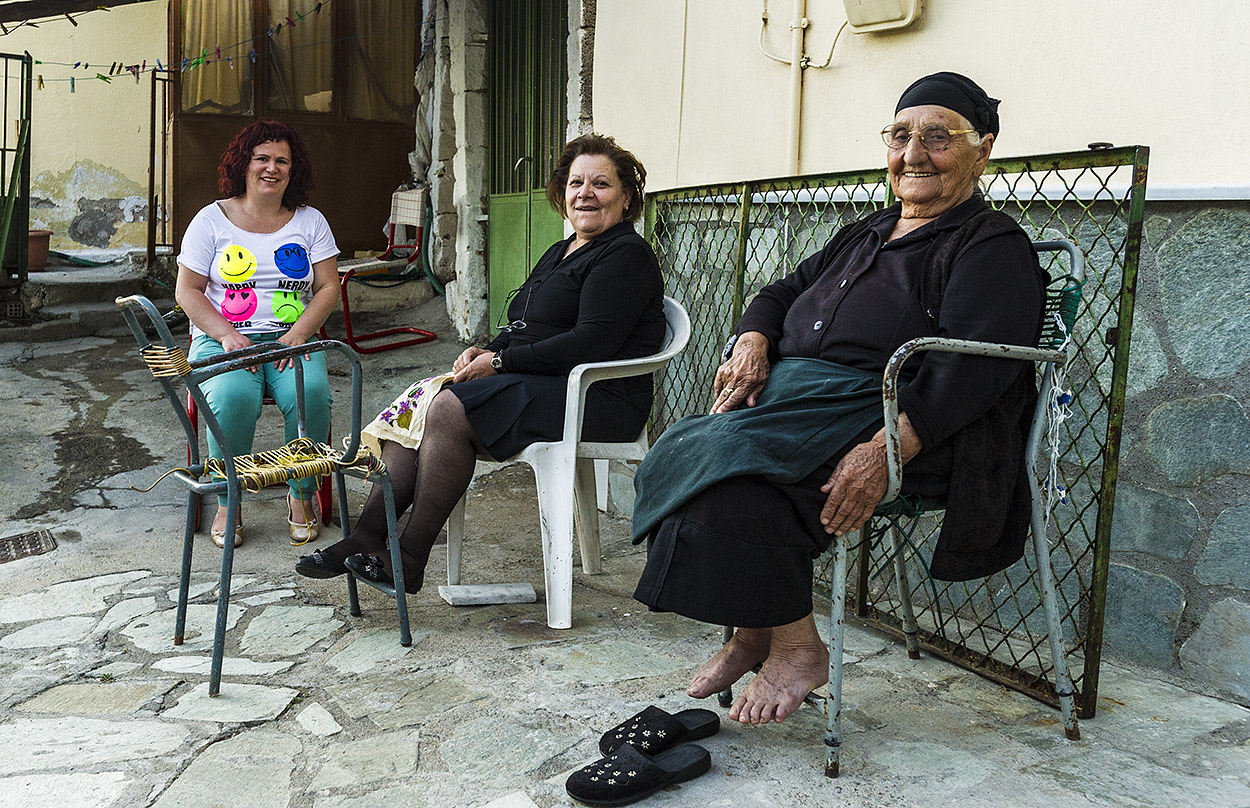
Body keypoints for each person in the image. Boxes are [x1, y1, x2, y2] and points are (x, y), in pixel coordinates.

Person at [630, 73, 1048, 726]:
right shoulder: (865, 232)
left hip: (894, 421)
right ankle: (758, 634)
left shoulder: (989, 245)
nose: (914, 153)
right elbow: (779, 291)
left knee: (730, 479)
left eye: (938, 138)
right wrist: (754, 339)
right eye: (902, 135)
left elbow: (971, 369)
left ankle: (790, 647)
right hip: (794, 412)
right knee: (685, 449)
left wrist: (888, 447)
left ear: (982, 149)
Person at [295, 133, 665, 594]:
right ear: (563, 193)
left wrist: (503, 361)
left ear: (626, 197)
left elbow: (590, 342)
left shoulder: (625, 255)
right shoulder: (564, 250)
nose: (585, 194)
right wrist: (483, 349)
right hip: (546, 382)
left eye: (601, 185)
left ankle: (409, 557)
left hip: (597, 397)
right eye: (575, 183)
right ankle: (368, 535)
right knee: (424, 404)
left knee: (450, 410)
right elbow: (527, 322)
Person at [175, 120, 340, 549]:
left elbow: (327, 288)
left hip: (292, 336)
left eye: (282, 160)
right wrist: (226, 335)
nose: (272, 168)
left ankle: (300, 495)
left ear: (293, 169)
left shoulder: (310, 221)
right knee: (234, 398)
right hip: (223, 338)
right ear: (243, 164)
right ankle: (229, 499)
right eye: (262, 158)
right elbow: (187, 292)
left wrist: (300, 333)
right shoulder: (211, 220)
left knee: (312, 393)